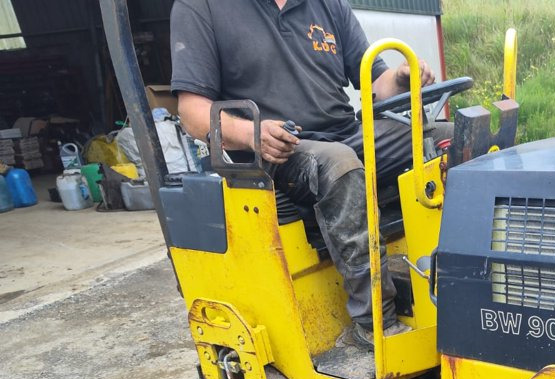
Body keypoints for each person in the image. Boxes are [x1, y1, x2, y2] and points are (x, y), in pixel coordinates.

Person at [169, 0, 447, 349]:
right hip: (275, 151)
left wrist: (402, 76)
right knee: (340, 165)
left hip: (346, 133)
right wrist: (252, 134)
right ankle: (376, 321)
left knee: (448, 137)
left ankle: (461, 283)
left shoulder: (328, 5)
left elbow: (377, 84)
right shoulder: (201, 7)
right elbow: (193, 113)